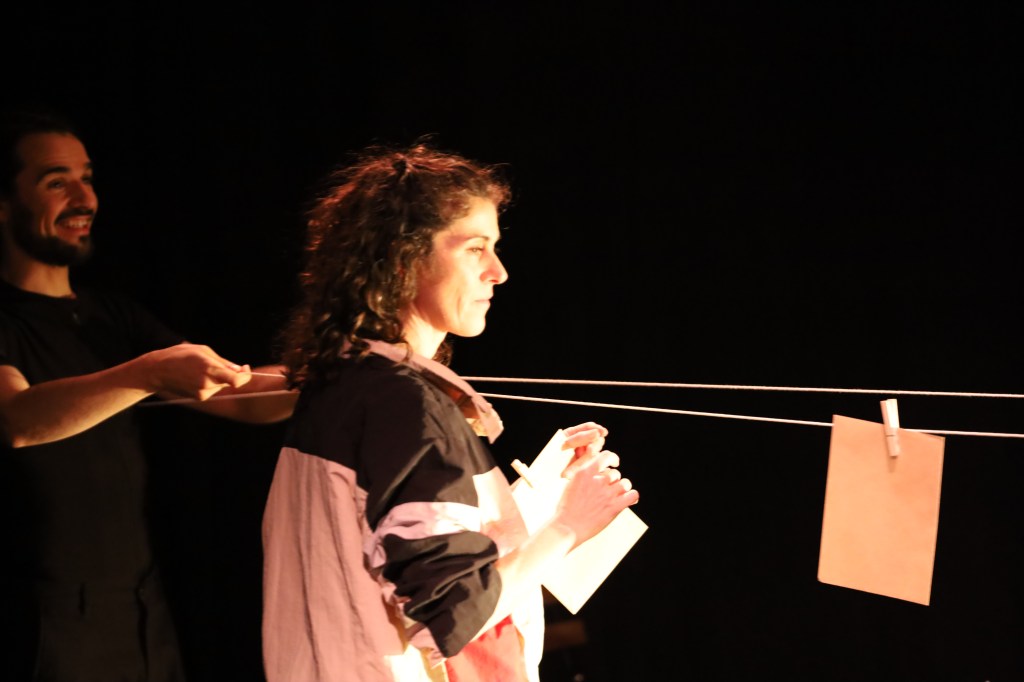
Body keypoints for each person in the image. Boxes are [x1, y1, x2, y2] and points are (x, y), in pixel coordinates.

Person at [262, 142, 640, 681]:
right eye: (475, 248)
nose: (498, 272)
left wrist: (536, 506)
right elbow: (453, 615)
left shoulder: (344, 387)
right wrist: (568, 526)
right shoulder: (404, 405)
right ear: (404, 257)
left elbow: (394, 560)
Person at [0, 107, 297, 681]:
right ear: (5, 202)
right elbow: (16, 419)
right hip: (40, 625)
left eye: (87, 178)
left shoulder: (112, 316)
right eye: (57, 182)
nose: (84, 199)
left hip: (139, 612)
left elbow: (241, 395)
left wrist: (346, 369)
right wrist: (148, 373)